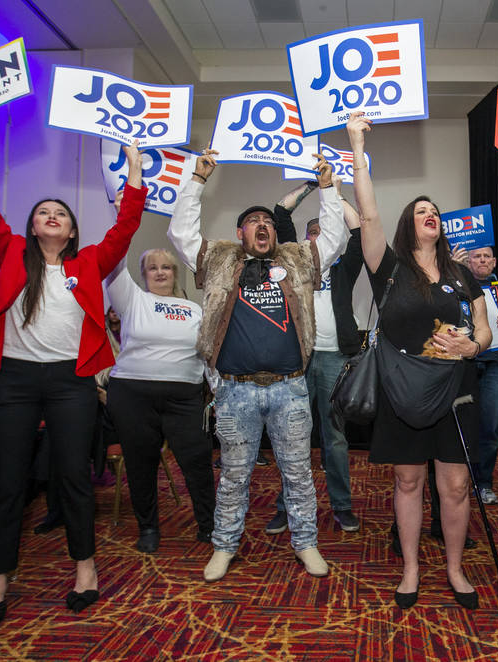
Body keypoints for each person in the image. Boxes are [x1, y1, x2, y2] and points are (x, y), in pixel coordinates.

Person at [0, 106, 146, 631]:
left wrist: (134, 170)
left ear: (70, 229)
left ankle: (84, 569)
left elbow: (126, 227)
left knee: (73, 478)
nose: (52, 215)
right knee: (9, 479)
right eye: (43, 210)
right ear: (33, 226)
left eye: (60, 212)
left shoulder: (89, 264)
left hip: (70, 382)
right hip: (13, 380)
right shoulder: (11, 253)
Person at [168, 149, 346, 582]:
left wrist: (328, 188)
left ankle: (305, 544)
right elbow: (181, 234)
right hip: (234, 393)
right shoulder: (219, 260)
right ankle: (224, 547)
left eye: (268, 221)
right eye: (254, 221)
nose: (263, 226)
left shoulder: (298, 261)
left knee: (300, 474)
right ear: (240, 232)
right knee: (234, 476)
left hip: (290, 390)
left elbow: (335, 238)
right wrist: (196, 180)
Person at [346, 112, 492, 610]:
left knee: (455, 483)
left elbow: (485, 326)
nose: (430, 213)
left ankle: (453, 568)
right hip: (402, 389)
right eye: (421, 209)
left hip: (455, 388)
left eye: (436, 209)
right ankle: (410, 569)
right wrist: (356, 144)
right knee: (408, 479)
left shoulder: (462, 272)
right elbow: (367, 215)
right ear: (410, 221)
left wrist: (475, 346)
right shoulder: (388, 266)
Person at [265, 181, 363, 536]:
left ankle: (342, 506)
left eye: (324, 232)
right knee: (291, 436)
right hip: (297, 360)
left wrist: (333, 190)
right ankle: (284, 507)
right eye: (313, 233)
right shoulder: (292, 265)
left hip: (336, 358)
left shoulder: (343, 268)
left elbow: (358, 230)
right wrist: (311, 185)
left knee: (335, 437)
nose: (318, 238)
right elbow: (281, 212)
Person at [105, 246, 215, 553]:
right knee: (141, 465)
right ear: (143, 275)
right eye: (152, 268)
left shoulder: (194, 309)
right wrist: (122, 219)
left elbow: (208, 354)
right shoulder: (132, 300)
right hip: (132, 396)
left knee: (197, 463)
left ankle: (208, 525)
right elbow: (113, 263)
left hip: (184, 397)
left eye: (166, 267)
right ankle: (149, 528)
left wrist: (219, 390)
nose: (160, 272)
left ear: (175, 273)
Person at [464, 246, 498, 505]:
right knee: (461, 427)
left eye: (487, 256)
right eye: (477, 256)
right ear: (468, 260)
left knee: (491, 427)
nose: (482, 260)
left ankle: (483, 482)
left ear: (495, 262)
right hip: (466, 361)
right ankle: (460, 482)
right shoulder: (457, 284)